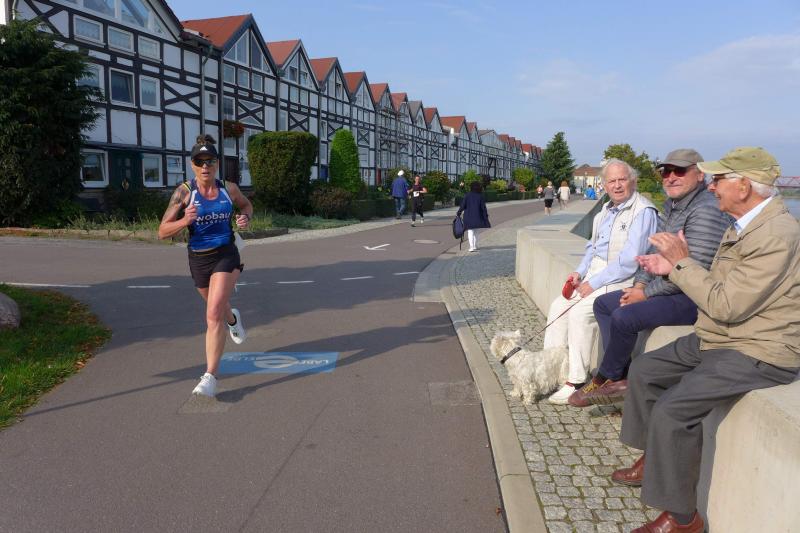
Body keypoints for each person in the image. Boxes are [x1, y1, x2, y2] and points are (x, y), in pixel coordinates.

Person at [616, 147, 799, 533]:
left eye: (719, 179)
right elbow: (720, 288)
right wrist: (671, 267)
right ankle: (656, 458)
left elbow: (726, 304)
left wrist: (680, 262)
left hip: (759, 349)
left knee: (672, 410)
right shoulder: (743, 225)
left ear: (744, 186)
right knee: (645, 369)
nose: (712, 186)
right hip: (723, 335)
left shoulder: (777, 235)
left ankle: (683, 519)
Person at [568, 149, 731, 407]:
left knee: (624, 317)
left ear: (700, 174)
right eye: (666, 172)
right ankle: (620, 374)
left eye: (680, 171)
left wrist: (644, 294)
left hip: (693, 297)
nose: (671, 177)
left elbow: (696, 271)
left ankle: (606, 378)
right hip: (671, 285)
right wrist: (640, 284)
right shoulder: (674, 205)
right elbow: (652, 255)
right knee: (603, 305)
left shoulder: (705, 210)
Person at [545, 159, 659, 404]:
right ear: (604, 185)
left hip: (622, 279)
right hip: (596, 274)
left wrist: (594, 283)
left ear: (633, 181)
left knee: (579, 313)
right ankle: (552, 371)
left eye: (622, 180)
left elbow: (630, 261)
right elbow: (592, 247)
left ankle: (576, 380)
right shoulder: (605, 210)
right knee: (558, 307)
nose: (617, 185)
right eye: (611, 181)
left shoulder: (643, 211)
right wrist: (579, 273)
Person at [158, 134, 254, 397]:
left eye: (209, 161)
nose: (205, 166)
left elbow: (246, 206)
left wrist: (245, 218)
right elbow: (162, 231)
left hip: (226, 254)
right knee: (217, 307)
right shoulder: (184, 193)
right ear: (192, 165)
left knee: (212, 315)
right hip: (198, 259)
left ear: (217, 164)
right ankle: (233, 319)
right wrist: (184, 221)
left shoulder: (228, 189)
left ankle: (210, 377)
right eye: (199, 162)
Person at [456, 181, 491, 252]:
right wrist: (486, 216)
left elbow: (463, 205)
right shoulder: (480, 196)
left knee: (470, 231)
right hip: (478, 216)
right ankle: (475, 246)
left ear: (471, 187)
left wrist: (458, 212)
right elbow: (483, 208)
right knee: (476, 232)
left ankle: (471, 247)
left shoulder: (467, 195)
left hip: (468, 217)